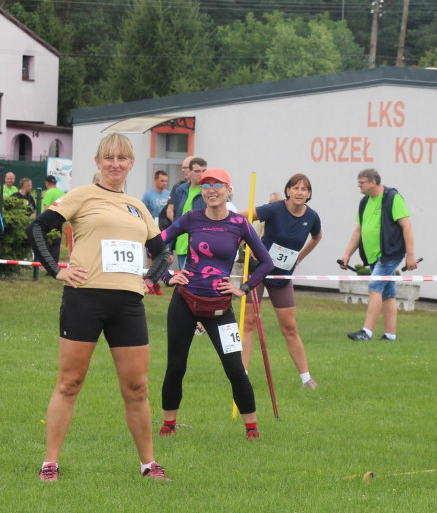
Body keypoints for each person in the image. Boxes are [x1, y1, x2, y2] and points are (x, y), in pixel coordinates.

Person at [26, 132, 171, 482]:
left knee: (137, 389)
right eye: (109, 157)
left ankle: (149, 465)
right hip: (85, 298)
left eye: (122, 158)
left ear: (131, 163)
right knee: (70, 383)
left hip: (129, 304)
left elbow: (161, 253)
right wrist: (57, 270)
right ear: (98, 162)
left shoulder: (138, 206)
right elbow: (37, 229)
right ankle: (50, 463)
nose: (115, 164)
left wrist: (149, 280)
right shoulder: (82, 195)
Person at [159, 168, 274, 440]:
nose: (211, 190)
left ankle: (252, 430)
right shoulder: (191, 218)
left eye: (217, 185)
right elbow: (156, 243)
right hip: (184, 301)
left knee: (235, 369)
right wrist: (166, 276)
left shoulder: (239, 224)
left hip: (220, 307)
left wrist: (242, 288)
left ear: (228, 190)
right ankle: (168, 426)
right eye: (206, 185)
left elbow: (266, 263)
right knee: (176, 367)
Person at [240, 173, 322, 388]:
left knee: (290, 327)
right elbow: (240, 218)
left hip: (282, 275)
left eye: (304, 189)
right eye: (295, 188)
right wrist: (249, 245)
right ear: (288, 191)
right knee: (248, 323)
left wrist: (299, 258)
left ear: (309, 194)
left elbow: (317, 237)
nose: (299, 192)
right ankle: (242, 375)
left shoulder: (312, 217)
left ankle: (306, 379)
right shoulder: (274, 209)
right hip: (258, 270)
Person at [339, 168, 418, 341]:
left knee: (374, 287)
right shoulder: (364, 202)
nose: (358, 186)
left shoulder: (393, 198)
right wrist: (347, 255)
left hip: (390, 253)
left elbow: (407, 227)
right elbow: (359, 230)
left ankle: (366, 332)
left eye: (362, 182)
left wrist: (410, 255)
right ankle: (390, 335)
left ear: (373, 182)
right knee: (388, 294)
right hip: (374, 256)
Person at [166, 157, 207, 269]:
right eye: (197, 171)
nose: (201, 174)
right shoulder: (180, 190)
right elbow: (176, 219)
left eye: (204, 171)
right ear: (190, 172)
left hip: (198, 245)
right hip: (181, 244)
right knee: (183, 277)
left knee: (189, 277)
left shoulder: (207, 191)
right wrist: (170, 244)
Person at [40, 175, 65, 263]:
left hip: (49, 221)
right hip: (59, 220)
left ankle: (47, 264)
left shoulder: (49, 192)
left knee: (47, 242)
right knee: (56, 243)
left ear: (47, 183)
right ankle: (55, 263)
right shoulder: (61, 192)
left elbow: (46, 208)